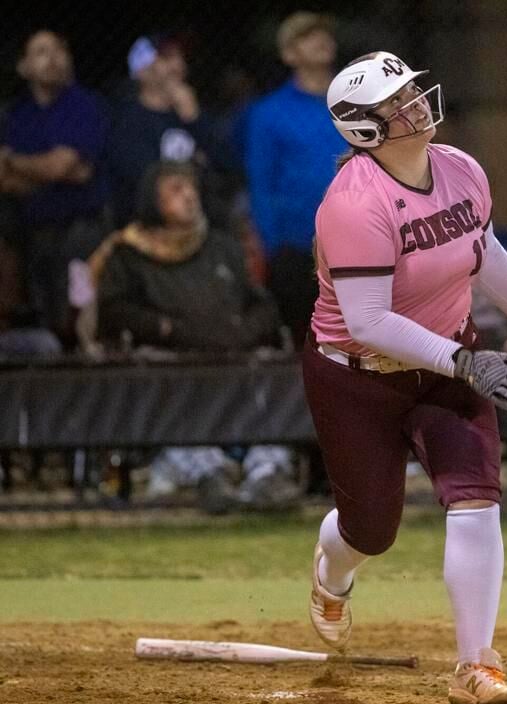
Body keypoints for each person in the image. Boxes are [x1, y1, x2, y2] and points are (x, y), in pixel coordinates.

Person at [303, 52, 507, 704]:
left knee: (475, 498)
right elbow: (370, 322)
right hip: (359, 376)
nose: (414, 104)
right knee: (371, 529)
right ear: (361, 128)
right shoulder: (353, 203)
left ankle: (475, 666)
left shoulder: (461, 169)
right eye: (395, 102)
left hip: (449, 360)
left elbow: (482, 253)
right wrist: (465, 362)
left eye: (411, 90)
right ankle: (333, 571)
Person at [93, 161, 298, 512]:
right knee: (171, 399)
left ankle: (265, 475)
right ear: (152, 199)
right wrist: (171, 330)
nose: (189, 195)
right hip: (171, 371)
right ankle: (209, 478)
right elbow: (115, 312)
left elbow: (260, 304)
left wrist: (241, 332)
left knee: (273, 382)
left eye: (191, 188)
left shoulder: (221, 246)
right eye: (175, 189)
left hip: (234, 363)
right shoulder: (128, 254)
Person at [0, 29, 110, 346]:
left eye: (60, 50)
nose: (54, 58)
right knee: (43, 316)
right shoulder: (17, 115)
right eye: (42, 52)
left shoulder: (84, 106)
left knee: (79, 315)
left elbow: (67, 169)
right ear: (24, 67)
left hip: (82, 228)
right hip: (35, 231)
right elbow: (8, 182)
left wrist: (11, 159)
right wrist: (46, 169)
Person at [245, 11, 347, 349]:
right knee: (309, 341)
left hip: (359, 241)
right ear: (289, 54)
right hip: (297, 248)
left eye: (324, 34)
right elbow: (260, 183)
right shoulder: (267, 114)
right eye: (306, 37)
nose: (321, 41)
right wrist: (275, 247)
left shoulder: (355, 104)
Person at [107, 34, 227, 228]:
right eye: (166, 58)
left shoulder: (194, 113)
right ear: (142, 71)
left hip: (201, 225)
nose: (177, 64)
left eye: (180, 57)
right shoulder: (127, 121)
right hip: (149, 228)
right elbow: (144, 180)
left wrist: (195, 120)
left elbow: (225, 164)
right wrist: (197, 162)